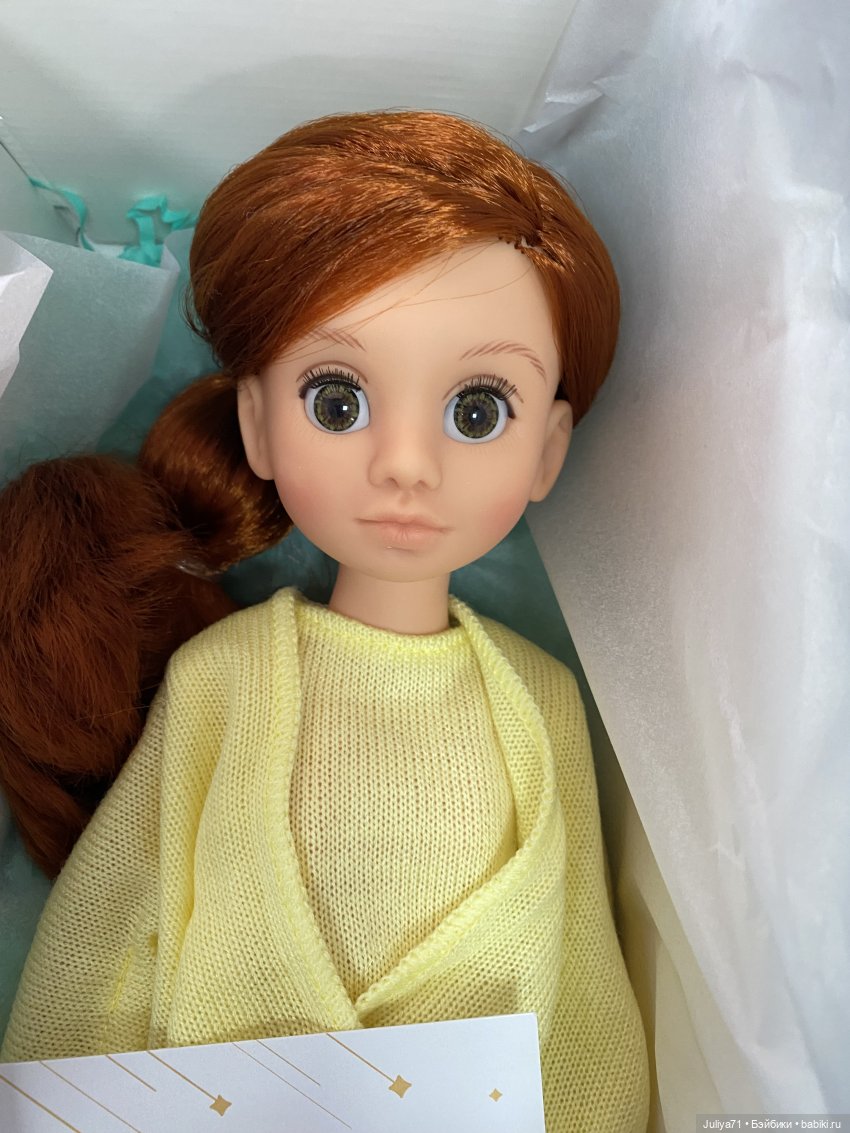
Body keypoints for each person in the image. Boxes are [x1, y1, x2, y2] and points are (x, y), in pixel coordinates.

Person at [0, 110, 649, 1130]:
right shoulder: (221, 674)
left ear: (549, 451)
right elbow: (116, 913)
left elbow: (582, 968)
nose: (405, 464)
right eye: (337, 402)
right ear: (257, 422)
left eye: (477, 411)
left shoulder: (542, 696)